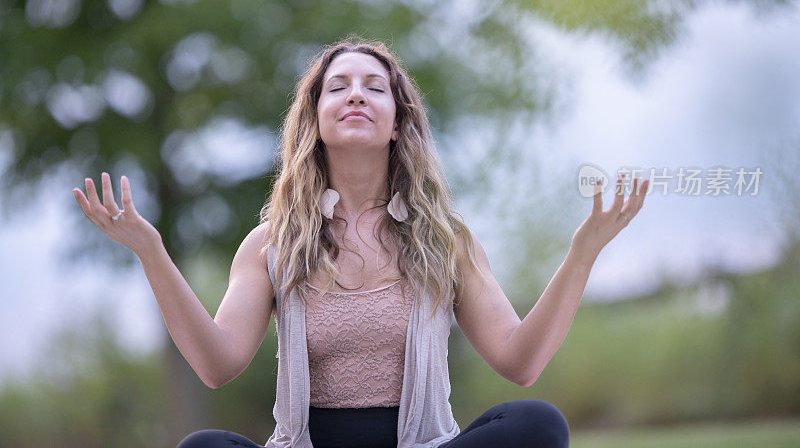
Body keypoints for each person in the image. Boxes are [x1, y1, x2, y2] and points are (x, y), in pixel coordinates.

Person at [73, 36, 648, 448]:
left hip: (420, 445)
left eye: (375, 87)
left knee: (538, 423)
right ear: (316, 118)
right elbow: (217, 366)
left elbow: (520, 362)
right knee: (204, 447)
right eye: (338, 87)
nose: (356, 95)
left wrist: (583, 252)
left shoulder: (447, 240)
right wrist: (151, 251)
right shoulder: (270, 244)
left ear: (396, 122)